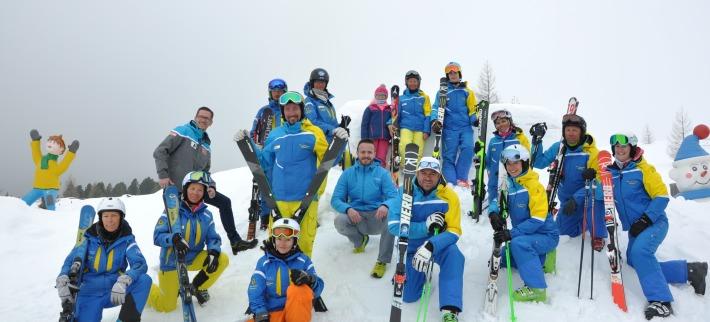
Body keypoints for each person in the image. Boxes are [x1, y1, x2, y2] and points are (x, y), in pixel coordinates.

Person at [605, 133, 707, 320]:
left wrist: (646, 219)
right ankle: (690, 271)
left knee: (641, 254)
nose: (620, 150)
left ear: (632, 149)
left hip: (654, 223)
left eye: (624, 147)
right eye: (617, 147)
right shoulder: (610, 173)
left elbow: (661, 196)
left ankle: (661, 301)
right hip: (636, 228)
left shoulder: (643, 169)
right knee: (634, 262)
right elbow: (601, 193)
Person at [234, 91, 348, 258]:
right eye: (287, 109)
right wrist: (247, 143)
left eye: (295, 108)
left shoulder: (314, 132)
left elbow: (328, 160)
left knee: (304, 244)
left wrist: (340, 142)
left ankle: (302, 280)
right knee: (278, 244)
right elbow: (264, 163)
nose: (291, 112)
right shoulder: (275, 134)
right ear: (283, 112)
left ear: (302, 109)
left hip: (306, 199)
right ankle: (279, 279)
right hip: (279, 200)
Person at [153, 106, 257, 254]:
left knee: (224, 202)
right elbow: (160, 151)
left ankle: (235, 242)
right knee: (174, 223)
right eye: (201, 116)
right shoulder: (183, 131)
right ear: (196, 117)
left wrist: (211, 186)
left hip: (196, 189)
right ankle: (172, 256)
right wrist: (163, 175)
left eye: (206, 118)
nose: (203, 120)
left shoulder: (206, 144)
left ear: (211, 122)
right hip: (175, 188)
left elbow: (205, 171)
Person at [388, 157, 465, 321]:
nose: (428, 177)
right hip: (411, 248)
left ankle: (449, 310)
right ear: (417, 173)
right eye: (423, 172)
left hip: (437, 245)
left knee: (454, 256)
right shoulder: (405, 192)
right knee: (409, 296)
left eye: (433, 174)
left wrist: (431, 245)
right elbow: (394, 225)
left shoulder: (449, 196)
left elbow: (454, 231)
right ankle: (417, 275)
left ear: (439, 176)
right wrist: (424, 227)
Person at [56, 197, 152, 321]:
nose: (110, 220)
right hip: (89, 293)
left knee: (144, 280)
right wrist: (63, 276)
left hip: (115, 289)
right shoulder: (87, 239)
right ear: (100, 218)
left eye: (114, 215)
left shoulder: (127, 239)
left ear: (121, 217)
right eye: (106, 216)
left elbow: (139, 263)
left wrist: (125, 280)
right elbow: (71, 261)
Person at [148, 171, 230, 311]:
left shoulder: (206, 215)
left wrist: (213, 252)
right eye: (192, 188)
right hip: (172, 262)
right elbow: (157, 236)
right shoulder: (173, 210)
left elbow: (212, 238)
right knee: (167, 306)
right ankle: (145, 288)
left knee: (221, 259)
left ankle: (197, 287)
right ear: (186, 189)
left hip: (192, 258)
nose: (195, 193)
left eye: (200, 190)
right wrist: (173, 239)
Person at [488, 145, 559, 302]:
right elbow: (497, 200)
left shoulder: (534, 187)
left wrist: (511, 233)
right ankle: (545, 258)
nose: (512, 167)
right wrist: (493, 213)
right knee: (506, 257)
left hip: (545, 235)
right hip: (528, 234)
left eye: (516, 163)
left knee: (518, 244)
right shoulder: (508, 184)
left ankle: (537, 288)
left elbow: (538, 220)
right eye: (508, 164)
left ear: (524, 163)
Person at [532, 114, 608, 250]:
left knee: (595, 200)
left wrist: (576, 198)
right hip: (567, 202)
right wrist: (536, 142)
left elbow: (598, 184)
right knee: (564, 231)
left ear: (581, 132)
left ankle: (598, 233)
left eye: (575, 130)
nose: (571, 133)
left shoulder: (591, 152)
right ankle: (584, 221)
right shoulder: (559, 148)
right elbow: (539, 162)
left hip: (585, 199)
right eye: (568, 130)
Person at [331, 139, 399, 278]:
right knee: (340, 220)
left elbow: (394, 197)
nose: (366, 155)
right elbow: (335, 199)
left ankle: (382, 261)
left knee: (392, 216)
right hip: (357, 218)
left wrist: (385, 205)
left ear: (374, 154)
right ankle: (360, 241)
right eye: (363, 152)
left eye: (369, 152)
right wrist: (348, 209)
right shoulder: (347, 174)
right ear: (357, 153)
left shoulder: (382, 174)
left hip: (376, 218)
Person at [247, 218, 325, 322]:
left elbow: (318, 287)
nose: (283, 243)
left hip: (296, 311)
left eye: (288, 240)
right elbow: (255, 290)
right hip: (272, 313)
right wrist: (260, 312)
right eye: (279, 239)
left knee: (299, 289)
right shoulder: (264, 262)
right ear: (274, 240)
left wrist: (310, 280)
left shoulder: (303, 260)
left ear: (294, 241)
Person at [430, 62, 478, 188]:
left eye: (454, 73)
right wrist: (434, 121)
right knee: (448, 157)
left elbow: (473, 108)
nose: (452, 75)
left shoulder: (467, 91)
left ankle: (461, 178)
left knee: (468, 148)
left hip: (465, 127)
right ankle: (451, 182)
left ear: (459, 74)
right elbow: (435, 108)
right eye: (449, 73)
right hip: (449, 129)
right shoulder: (442, 93)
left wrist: (475, 119)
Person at [250, 79, 288, 230]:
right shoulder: (264, 111)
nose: (277, 94)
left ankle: (282, 212)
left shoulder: (289, 109)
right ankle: (265, 217)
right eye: (275, 91)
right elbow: (255, 131)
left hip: (285, 154)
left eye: (280, 91)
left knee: (284, 184)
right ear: (270, 93)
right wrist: (256, 145)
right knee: (267, 185)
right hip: (267, 154)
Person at [23, 129, 79, 210]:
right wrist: (35, 140)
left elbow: (65, 163)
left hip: (50, 189)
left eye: (55, 143)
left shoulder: (56, 167)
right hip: (37, 188)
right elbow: (36, 152)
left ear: (61, 151)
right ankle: (17, 214)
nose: (50, 144)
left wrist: (71, 152)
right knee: (23, 203)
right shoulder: (40, 160)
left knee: (50, 205)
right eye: (50, 141)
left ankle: (51, 219)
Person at [485, 109, 531, 207]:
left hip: (514, 181)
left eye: (503, 121)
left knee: (512, 209)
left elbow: (527, 160)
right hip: (494, 181)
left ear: (510, 121)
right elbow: (488, 161)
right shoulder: (493, 141)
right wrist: (479, 156)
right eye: (497, 123)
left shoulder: (519, 139)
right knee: (494, 209)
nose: (501, 125)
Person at [389, 70, 432, 164]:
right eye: (410, 81)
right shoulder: (401, 98)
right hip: (406, 127)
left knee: (419, 149)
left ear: (418, 83)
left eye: (415, 81)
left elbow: (428, 114)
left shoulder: (424, 97)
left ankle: (415, 172)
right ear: (407, 83)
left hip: (420, 128)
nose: (412, 83)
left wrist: (427, 130)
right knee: (404, 146)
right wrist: (390, 123)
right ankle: (406, 167)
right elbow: (395, 113)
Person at [303, 68, 339, 144]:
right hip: (319, 142)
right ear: (312, 83)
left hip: (332, 142)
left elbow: (332, 122)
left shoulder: (328, 102)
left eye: (323, 82)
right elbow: (312, 121)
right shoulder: (309, 101)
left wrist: (341, 127)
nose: (320, 85)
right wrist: (332, 130)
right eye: (317, 82)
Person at [361, 84, 392, 168]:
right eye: (379, 95)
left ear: (386, 97)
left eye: (383, 95)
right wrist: (364, 139)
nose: (381, 97)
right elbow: (364, 124)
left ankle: (379, 173)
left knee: (381, 157)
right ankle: (369, 171)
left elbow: (392, 121)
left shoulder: (389, 109)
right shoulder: (370, 108)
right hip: (372, 138)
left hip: (384, 138)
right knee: (371, 156)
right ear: (375, 96)